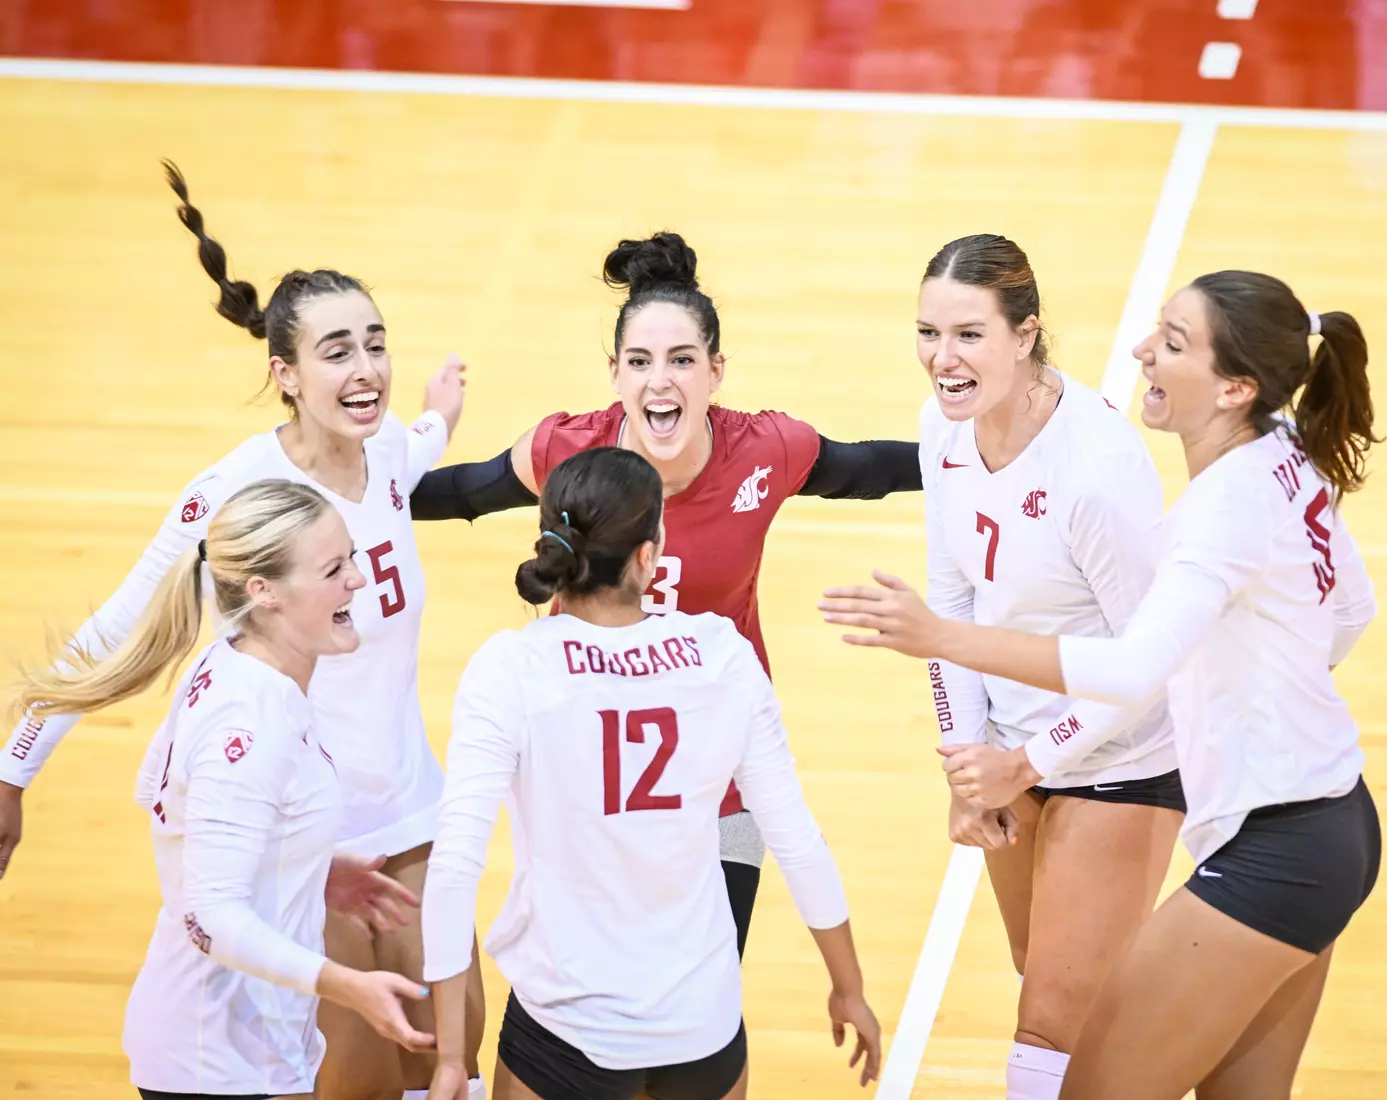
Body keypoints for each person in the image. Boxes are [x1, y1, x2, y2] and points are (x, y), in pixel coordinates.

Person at [820, 271, 1382, 1100]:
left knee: (1086, 1082)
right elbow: (1351, 613)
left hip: (1279, 848)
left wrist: (942, 640)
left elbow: (1129, 669)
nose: (1141, 350)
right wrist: (1258, 694)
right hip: (1329, 821)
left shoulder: (1214, 510)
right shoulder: (1283, 452)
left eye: (1174, 343)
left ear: (1236, 387)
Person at [0, 163, 486, 1100]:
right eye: (337, 351)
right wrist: (13, 769)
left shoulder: (385, 448)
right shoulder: (236, 492)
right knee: (360, 1081)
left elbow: (418, 446)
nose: (365, 370)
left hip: (418, 817)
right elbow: (118, 629)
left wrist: (440, 406)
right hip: (309, 841)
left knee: (448, 1070)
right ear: (286, 374)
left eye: (375, 345)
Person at [409, 231, 921, 969]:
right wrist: (340, 486)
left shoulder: (765, 451)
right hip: (592, 773)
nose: (661, 382)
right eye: (641, 362)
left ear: (716, 371)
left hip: (719, 771)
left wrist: (988, 449)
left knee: (702, 988)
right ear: (613, 373)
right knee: (587, 1001)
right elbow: (460, 494)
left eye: (683, 361)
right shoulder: (567, 453)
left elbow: (865, 468)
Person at [419, 447, 881, 1100]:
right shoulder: (723, 653)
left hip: (566, 1024)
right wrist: (849, 987)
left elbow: (456, 863)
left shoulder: (510, 668)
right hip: (702, 1024)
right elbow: (795, 837)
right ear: (649, 554)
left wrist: (446, 1057)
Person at [9, 479, 437, 1100]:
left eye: (352, 557)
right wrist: (346, 985)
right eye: (333, 568)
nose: (359, 580)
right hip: (215, 1062)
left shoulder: (235, 661)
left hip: (248, 1052)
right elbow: (209, 916)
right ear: (264, 593)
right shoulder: (249, 720)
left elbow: (167, 804)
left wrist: (306, 866)